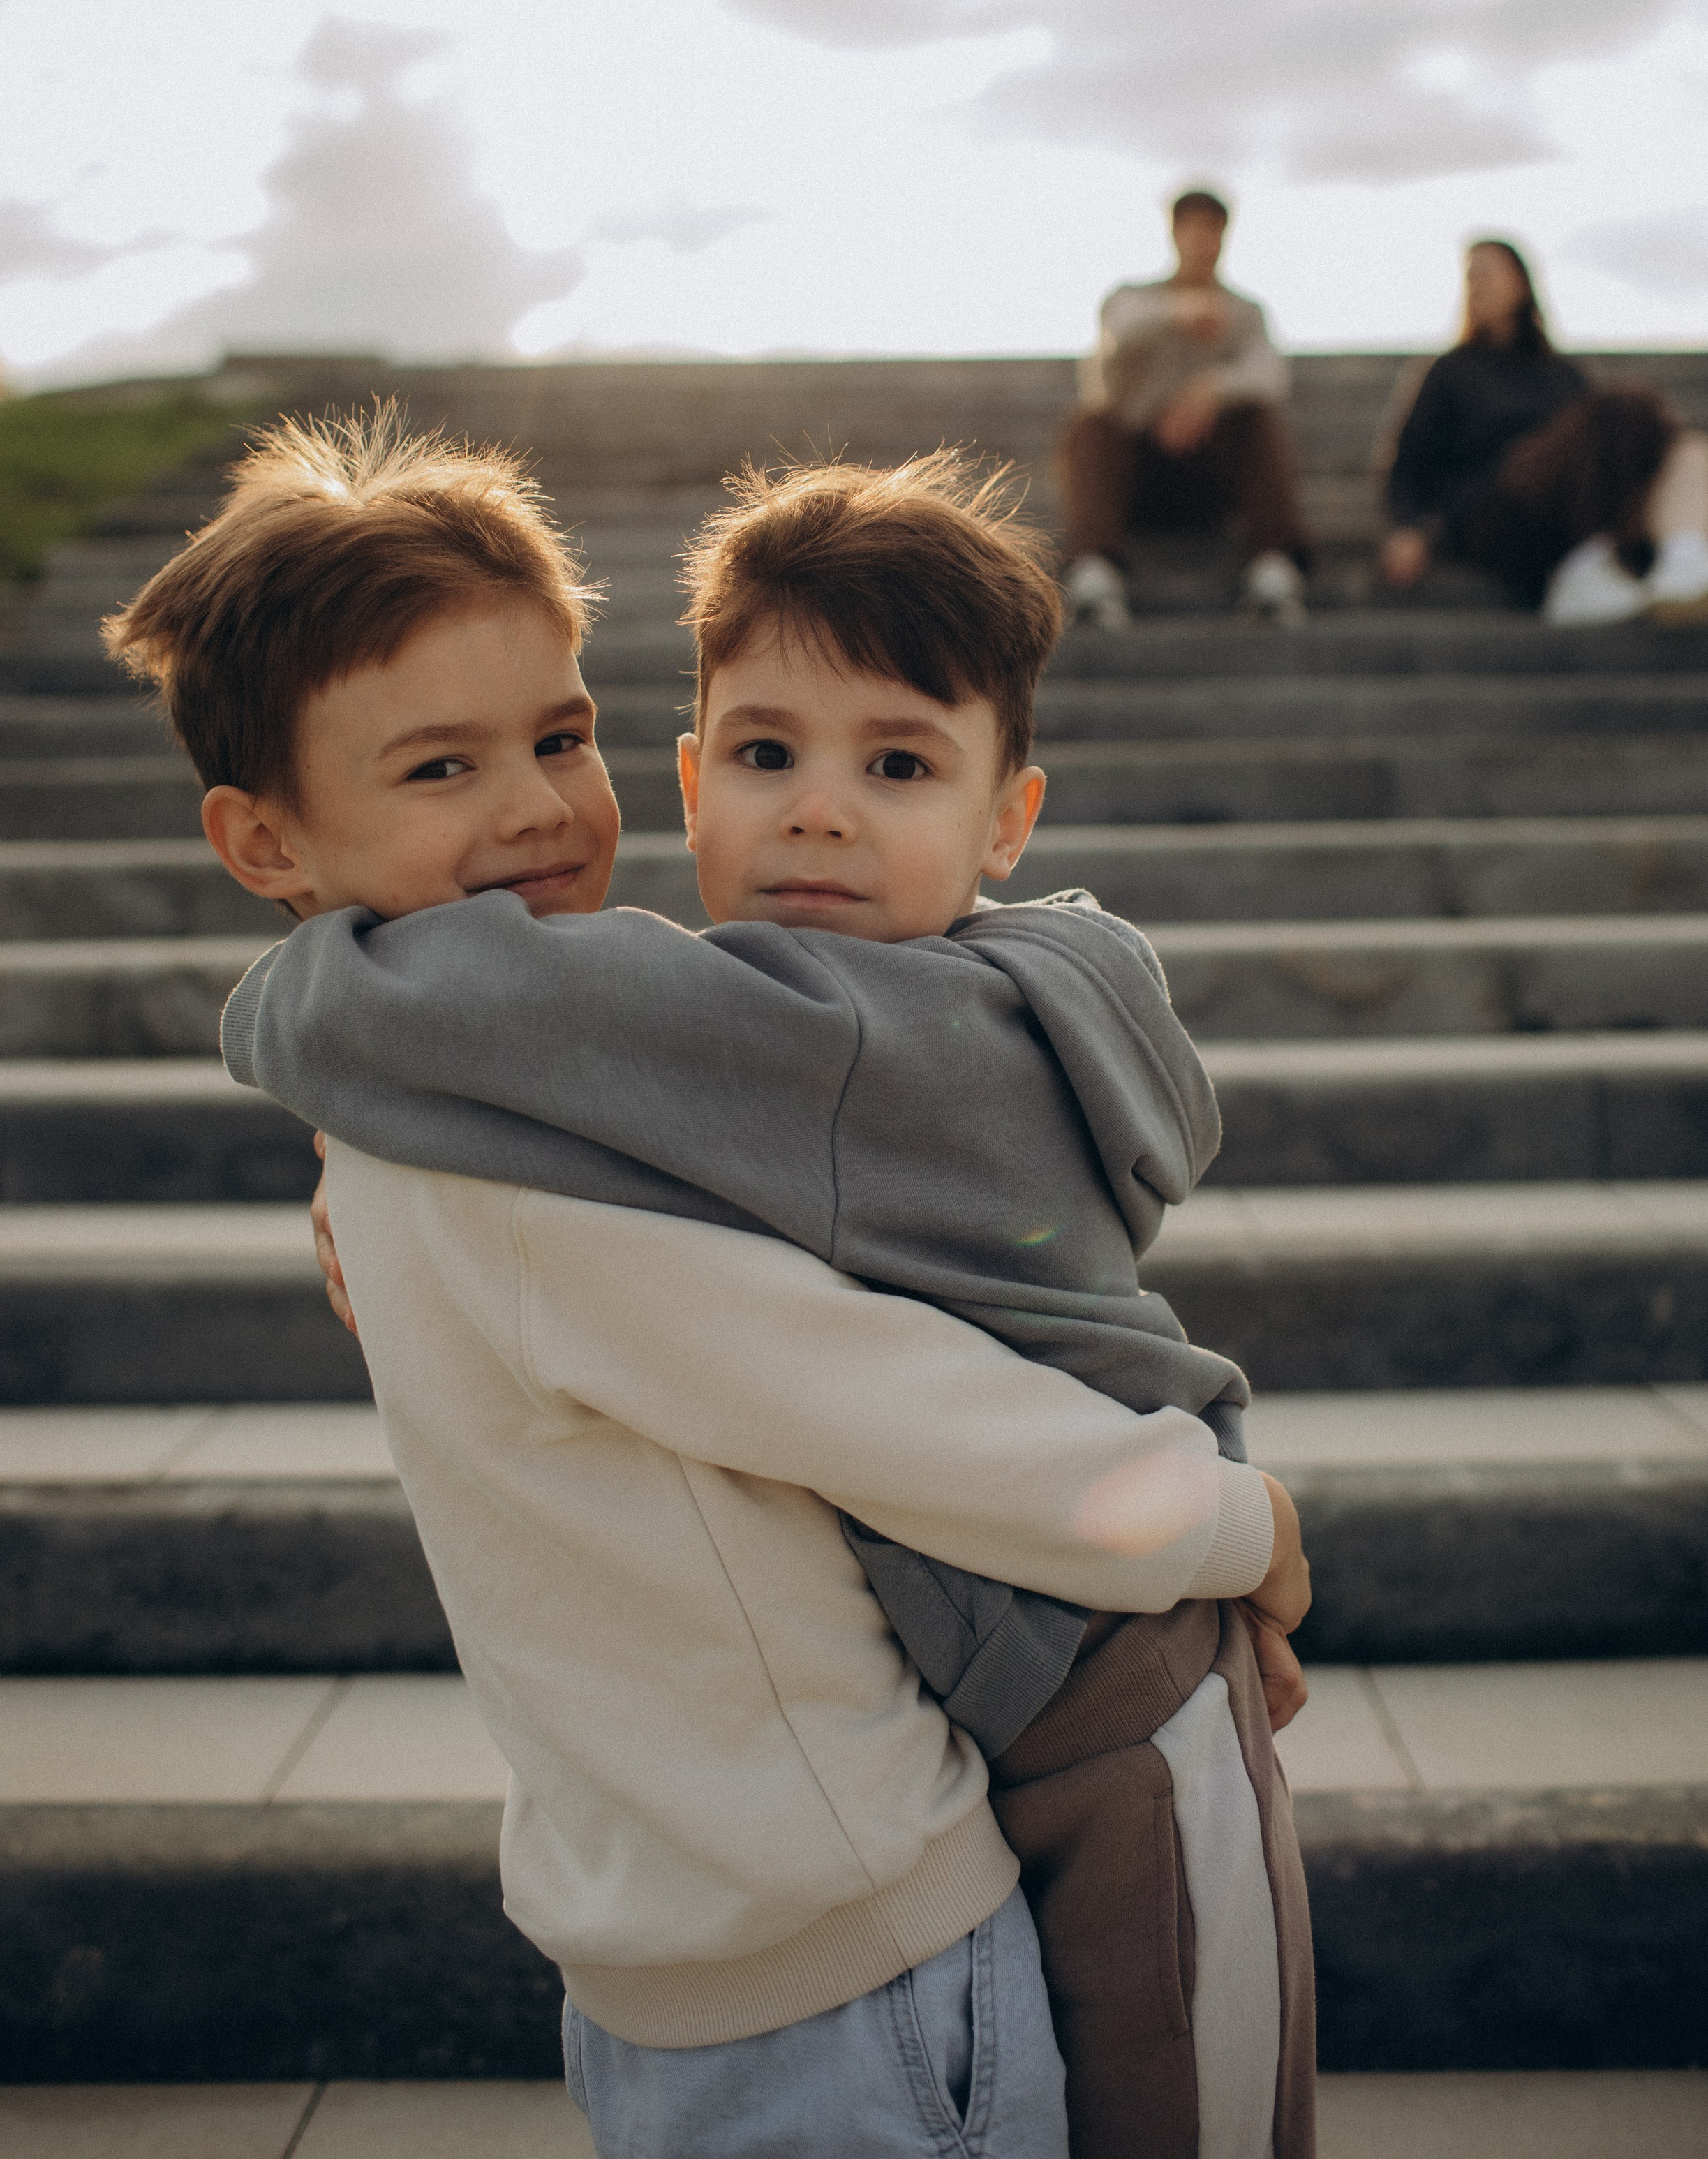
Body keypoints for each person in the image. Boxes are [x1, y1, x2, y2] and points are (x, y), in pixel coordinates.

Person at [105, 420, 1316, 2159]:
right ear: (263, 838)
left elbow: (882, 1399)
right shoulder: (510, 1138)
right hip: (784, 1908)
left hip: (880, 1865)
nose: (528, 803)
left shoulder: (583, 1092)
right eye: (438, 769)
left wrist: (1230, 1523)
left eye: (555, 733)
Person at [1379, 239, 1708, 625]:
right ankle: (1596, 568)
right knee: (1629, 402)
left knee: (1692, 449)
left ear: (1521, 283)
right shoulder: (1451, 371)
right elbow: (1410, 461)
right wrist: (1408, 527)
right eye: (1469, 277)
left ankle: (1686, 557)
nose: (1475, 285)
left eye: (1485, 272)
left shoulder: (1561, 374)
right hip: (1496, 505)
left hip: (1569, 504)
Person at [1059, 187, 1314, 630]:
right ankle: (1096, 570)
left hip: (1211, 483)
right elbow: (1106, 362)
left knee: (1258, 419)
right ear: (1175, 234)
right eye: (1193, 230)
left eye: (1212, 231)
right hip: (1134, 479)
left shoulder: (1246, 313)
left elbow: (1271, 375)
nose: (1203, 243)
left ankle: (1274, 569)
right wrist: (1174, 315)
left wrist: (1211, 389)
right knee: (1092, 425)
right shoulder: (1132, 299)